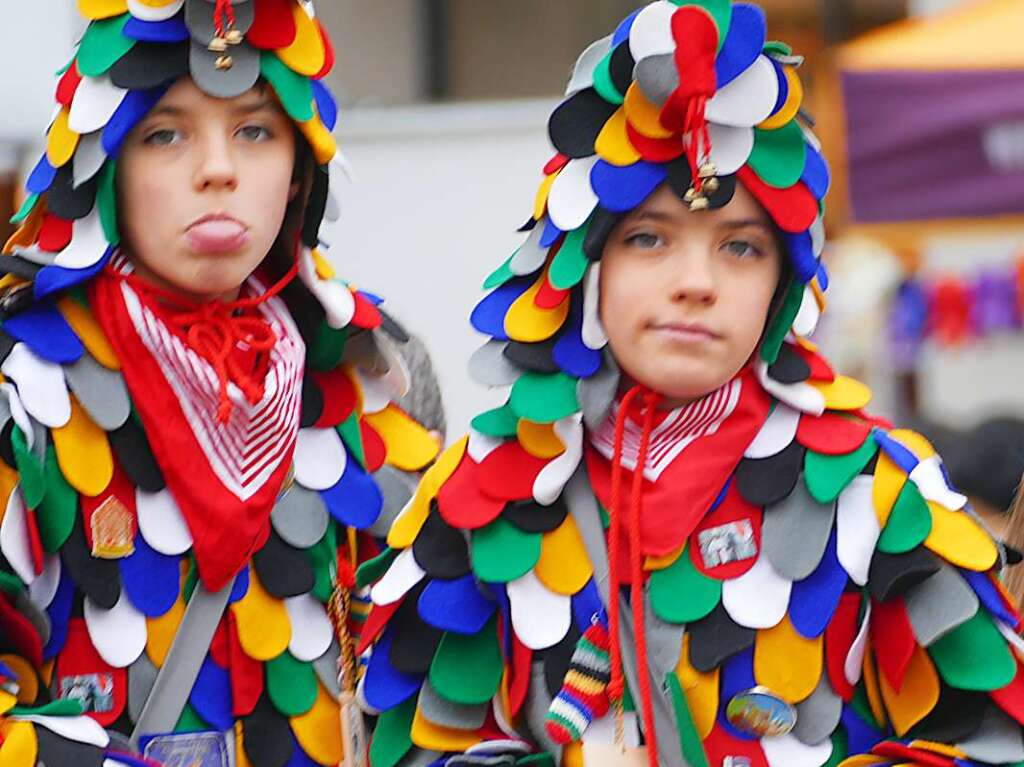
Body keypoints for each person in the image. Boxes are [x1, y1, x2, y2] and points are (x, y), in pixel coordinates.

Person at [358, 3, 1024, 767]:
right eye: (649, 238)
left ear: (781, 283)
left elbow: (997, 744)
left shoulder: (878, 494)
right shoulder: (478, 500)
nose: (697, 283)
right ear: (587, 264)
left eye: (740, 247)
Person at [0, 1, 439, 765]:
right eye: (165, 133)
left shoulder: (375, 374)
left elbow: (431, 683)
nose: (219, 168)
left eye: (255, 130)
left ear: (300, 173)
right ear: (106, 162)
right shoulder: (21, 385)